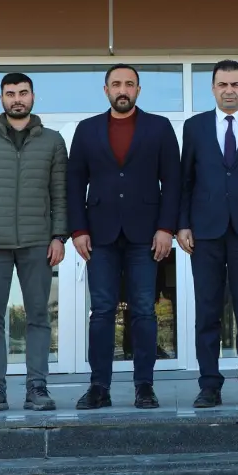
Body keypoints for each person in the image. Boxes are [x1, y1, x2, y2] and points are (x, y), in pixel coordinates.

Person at [67, 64, 181, 410]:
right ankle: (98, 387)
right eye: (116, 84)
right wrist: (78, 229)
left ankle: (144, 386)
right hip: (99, 234)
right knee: (102, 311)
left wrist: (166, 228)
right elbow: (74, 183)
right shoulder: (87, 130)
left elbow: (172, 182)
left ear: (138, 90)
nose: (123, 89)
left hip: (145, 234)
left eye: (129, 84)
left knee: (144, 311)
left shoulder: (159, 127)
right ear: (106, 90)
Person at [0, 73, 69, 413]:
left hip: (38, 242)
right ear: (2, 98)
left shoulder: (53, 141)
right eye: (10, 93)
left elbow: (61, 194)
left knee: (38, 316)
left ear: (33, 96)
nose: (17, 99)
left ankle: (37, 387)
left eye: (23, 93)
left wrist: (59, 236)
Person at [178, 60, 238, 409]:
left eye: (235, 84)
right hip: (205, 231)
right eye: (223, 85)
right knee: (208, 311)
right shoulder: (195, 126)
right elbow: (185, 179)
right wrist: (182, 224)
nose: (229, 90)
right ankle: (209, 386)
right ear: (213, 88)